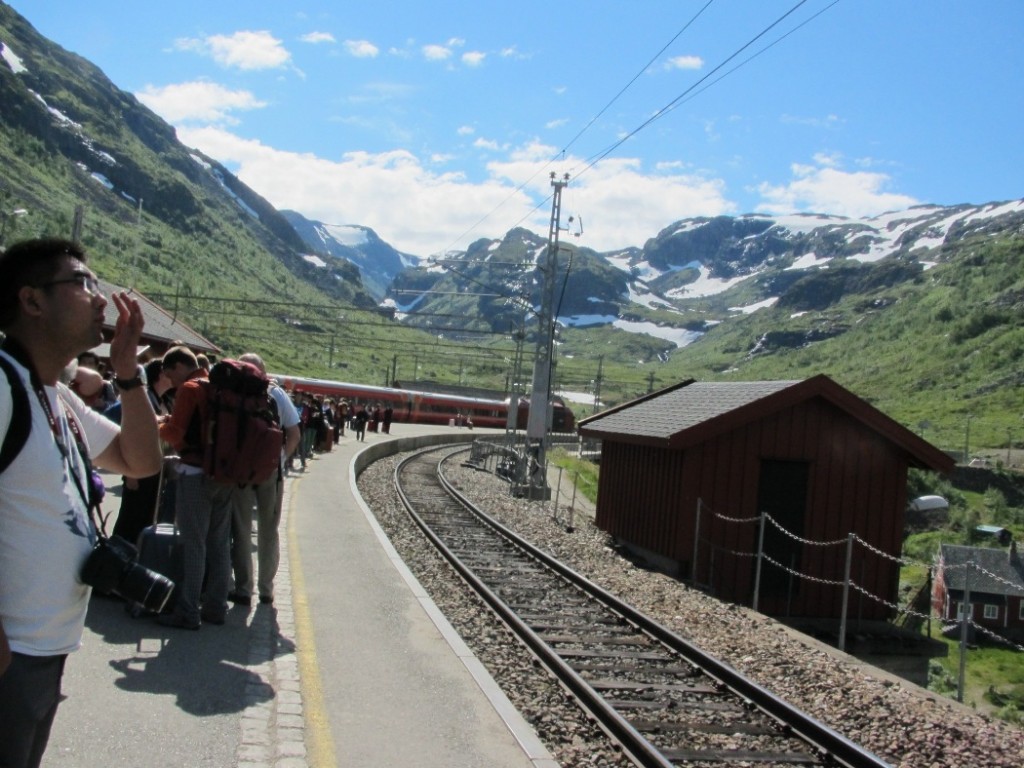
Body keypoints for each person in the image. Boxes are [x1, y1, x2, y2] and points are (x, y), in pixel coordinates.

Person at [0, 237, 162, 768]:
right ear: (32, 301)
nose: (100, 297)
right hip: (11, 653)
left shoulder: (58, 398)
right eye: (82, 282)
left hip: (46, 648)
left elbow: (139, 461)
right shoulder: (3, 387)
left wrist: (129, 375)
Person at [157, 346, 233, 630]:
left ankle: (188, 610)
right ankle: (216, 606)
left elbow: (176, 434)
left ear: (179, 366)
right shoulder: (219, 386)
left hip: (195, 474)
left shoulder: (190, 389)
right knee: (219, 543)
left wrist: (159, 424)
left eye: (169, 373)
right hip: (224, 475)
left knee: (194, 543)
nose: (169, 379)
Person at [228, 353, 301, 607]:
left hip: (240, 471)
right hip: (271, 470)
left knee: (241, 528)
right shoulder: (276, 393)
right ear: (264, 371)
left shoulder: (233, 388)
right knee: (269, 530)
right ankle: (266, 589)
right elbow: (294, 432)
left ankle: (243, 588)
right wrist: (281, 458)